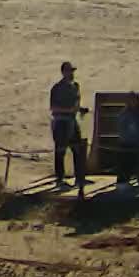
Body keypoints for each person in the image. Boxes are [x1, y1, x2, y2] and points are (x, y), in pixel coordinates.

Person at [49, 61, 87, 189]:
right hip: (61, 122)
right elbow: (53, 108)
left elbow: (75, 104)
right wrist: (69, 110)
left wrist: (80, 109)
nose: (71, 74)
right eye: (69, 71)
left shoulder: (75, 86)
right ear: (63, 72)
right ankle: (60, 179)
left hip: (72, 120)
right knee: (61, 151)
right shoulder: (57, 88)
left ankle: (79, 178)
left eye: (72, 71)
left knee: (77, 149)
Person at [115, 94, 139, 186]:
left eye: (134, 101)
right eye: (131, 101)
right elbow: (122, 130)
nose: (133, 103)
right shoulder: (124, 114)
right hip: (127, 143)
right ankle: (123, 181)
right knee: (125, 161)